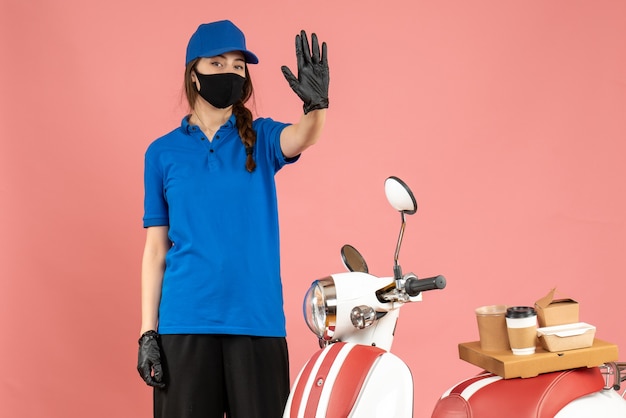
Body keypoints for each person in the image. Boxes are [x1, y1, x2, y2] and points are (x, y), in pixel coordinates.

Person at [136, 20, 329, 418]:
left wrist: (316, 107)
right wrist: (147, 332)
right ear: (194, 72)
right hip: (185, 322)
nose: (231, 73)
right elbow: (156, 250)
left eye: (239, 66)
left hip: (256, 321)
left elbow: (303, 136)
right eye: (218, 63)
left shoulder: (261, 137)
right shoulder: (161, 154)